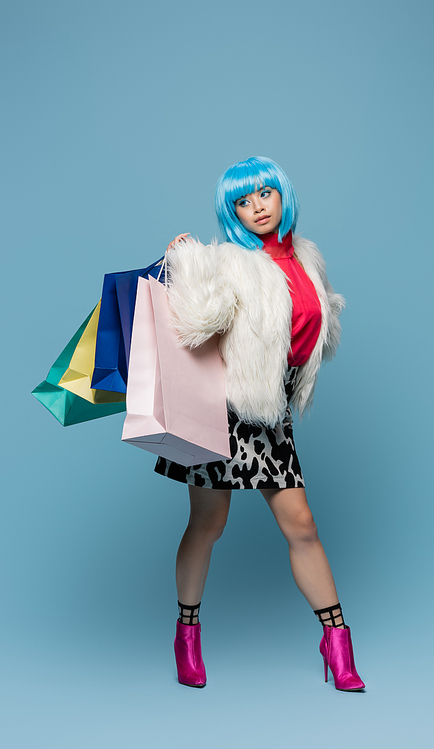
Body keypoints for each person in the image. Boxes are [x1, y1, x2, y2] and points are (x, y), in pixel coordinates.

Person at [154, 156, 365, 691]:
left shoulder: (307, 259)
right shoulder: (227, 260)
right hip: (220, 410)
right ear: (233, 214)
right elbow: (198, 325)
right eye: (242, 202)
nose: (256, 208)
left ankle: (337, 643)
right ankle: (187, 634)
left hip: (270, 412)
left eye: (264, 194)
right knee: (209, 524)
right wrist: (187, 264)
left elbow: (319, 332)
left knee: (302, 526)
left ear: (282, 195)